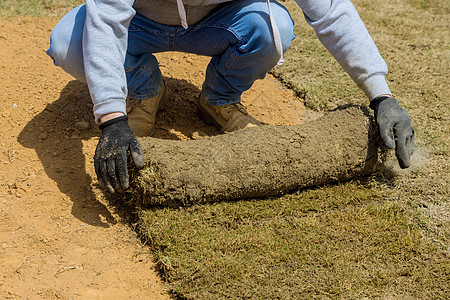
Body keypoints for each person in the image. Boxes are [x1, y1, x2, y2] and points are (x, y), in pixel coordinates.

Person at [46, 0, 415, 193]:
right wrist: (111, 118)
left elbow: (332, 12)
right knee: (69, 45)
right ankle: (143, 88)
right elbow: (107, 19)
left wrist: (382, 96)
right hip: (139, 22)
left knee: (273, 28)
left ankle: (218, 99)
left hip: (219, 22)